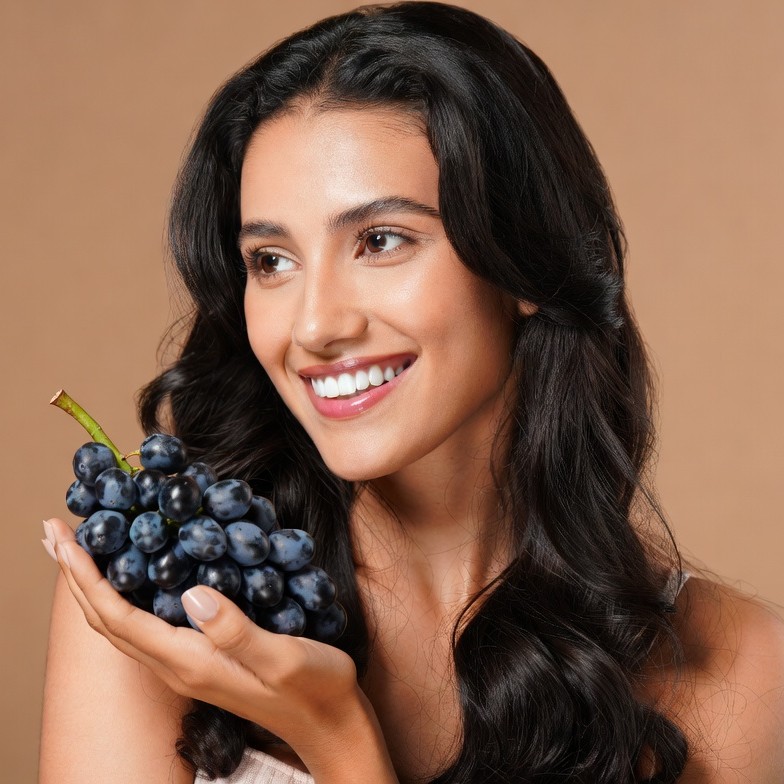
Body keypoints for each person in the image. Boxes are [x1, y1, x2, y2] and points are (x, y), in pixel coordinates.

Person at [39, 3, 784, 782]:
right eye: (271, 260)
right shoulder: (159, 593)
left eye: (380, 241)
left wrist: (337, 739)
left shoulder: (739, 671)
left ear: (524, 262)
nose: (315, 325)